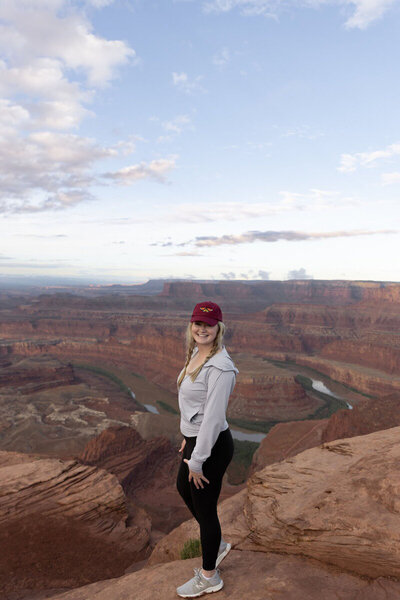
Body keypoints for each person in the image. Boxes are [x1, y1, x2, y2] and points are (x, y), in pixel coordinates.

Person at [175, 300, 238, 598]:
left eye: (208, 325)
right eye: (198, 323)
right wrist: (186, 436)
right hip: (196, 440)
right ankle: (219, 545)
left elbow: (213, 419)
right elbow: (193, 405)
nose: (202, 328)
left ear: (218, 328)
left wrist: (197, 459)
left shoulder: (221, 367)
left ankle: (209, 576)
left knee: (204, 507)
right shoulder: (196, 354)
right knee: (182, 487)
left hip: (211, 446)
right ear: (191, 325)